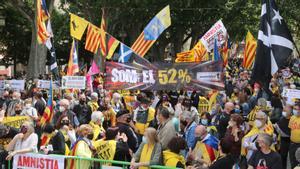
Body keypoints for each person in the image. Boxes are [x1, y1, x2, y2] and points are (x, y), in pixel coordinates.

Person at [274, 104, 292, 169]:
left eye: (285, 110)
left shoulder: (293, 120)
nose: (283, 112)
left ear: (291, 111)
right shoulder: (281, 119)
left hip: (291, 142)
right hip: (283, 142)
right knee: (283, 157)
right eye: (283, 110)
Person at [289, 102, 300, 169]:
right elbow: (291, 129)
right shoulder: (292, 117)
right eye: (294, 109)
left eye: (297, 109)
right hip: (292, 143)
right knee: (292, 162)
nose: (295, 110)